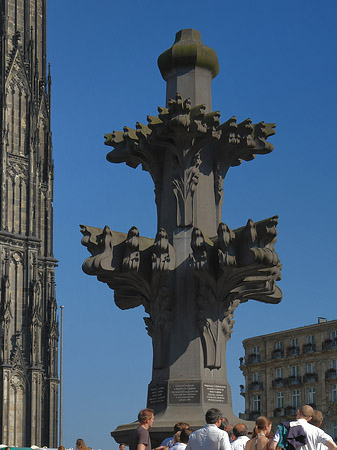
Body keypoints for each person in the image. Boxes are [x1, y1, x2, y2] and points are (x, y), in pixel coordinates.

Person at [270, 405, 337, 450]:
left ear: (298, 412)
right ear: (309, 418)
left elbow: (272, 447)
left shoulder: (284, 427)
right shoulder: (317, 431)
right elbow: (333, 446)